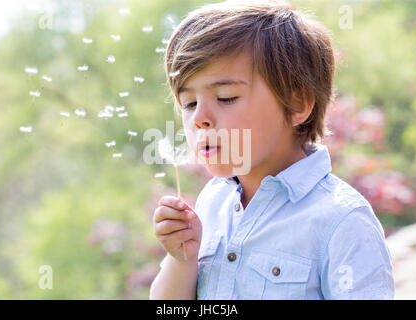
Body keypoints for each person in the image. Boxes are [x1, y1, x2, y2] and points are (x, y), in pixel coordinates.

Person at [149, 0, 394, 300]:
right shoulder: (212, 203)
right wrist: (182, 259)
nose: (200, 118)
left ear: (296, 105)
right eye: (188, 103)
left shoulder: (342, 221)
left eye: (225, 97)